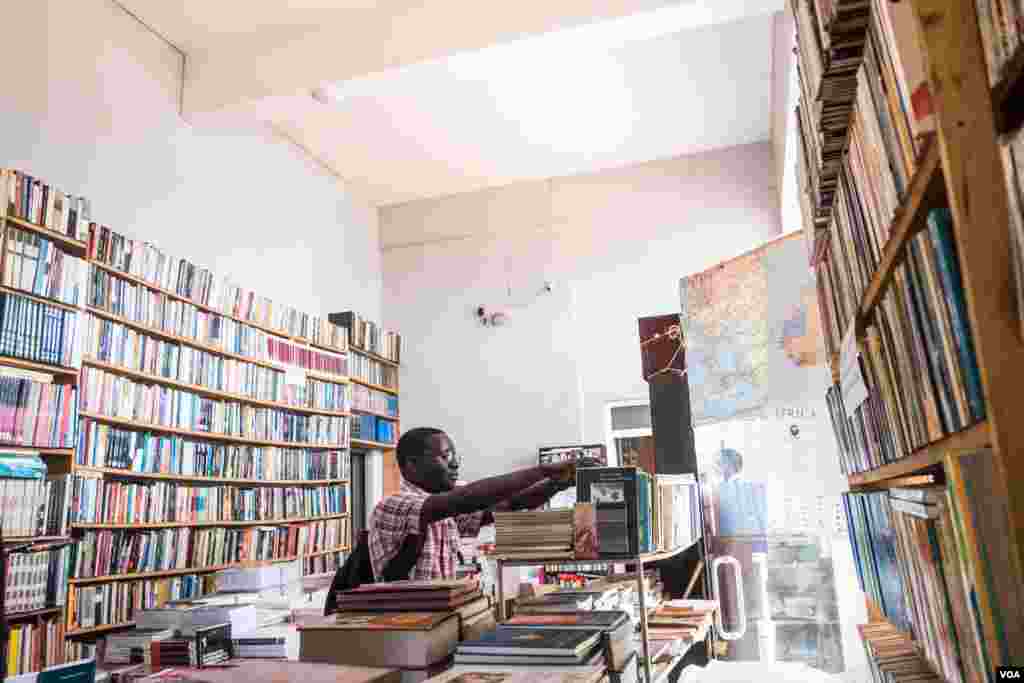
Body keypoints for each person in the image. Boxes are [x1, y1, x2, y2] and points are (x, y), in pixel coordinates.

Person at [368, 427, 584, 582]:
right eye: (445, 456)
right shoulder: (394, 505)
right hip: (403, 624)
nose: (454, 464)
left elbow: (510, 504)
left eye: (454, 457)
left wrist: (557, 483)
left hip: (439, 616)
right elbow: (467, 499)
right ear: (411, 465)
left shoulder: (445, 507)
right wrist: (544, 470)